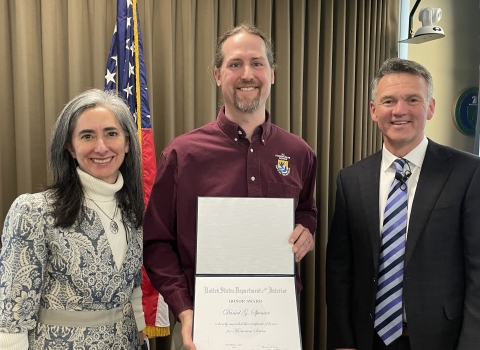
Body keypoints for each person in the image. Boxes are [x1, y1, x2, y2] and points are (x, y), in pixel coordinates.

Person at [143, 23, 317, 350]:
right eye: (235, 64)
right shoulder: (182, 155)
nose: (247, 73)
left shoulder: (299, 153)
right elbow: (157, 243)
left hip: (275, 322)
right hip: (203, 324)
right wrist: (185, 309)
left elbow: (307, 209)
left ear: (272, 73)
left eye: (257, 63)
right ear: (217, 75)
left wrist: (306, 229)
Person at [326, 58, 480, 350]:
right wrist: (342, 341)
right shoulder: (350, 180)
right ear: (374, 110)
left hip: (441, 339)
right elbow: (339, 271)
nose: (400, 110)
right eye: (388, 101)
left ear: (430, 107)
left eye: (413, 99)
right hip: (368, 338)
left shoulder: (468, 173)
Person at [0, 89, 148, 349]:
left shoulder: (132, 212)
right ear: (69, 146)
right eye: (87, 136)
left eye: (111, 133)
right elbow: (12, 317)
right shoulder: (33, 212)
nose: (101, 147)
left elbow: (131, 289)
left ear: (127, 142)